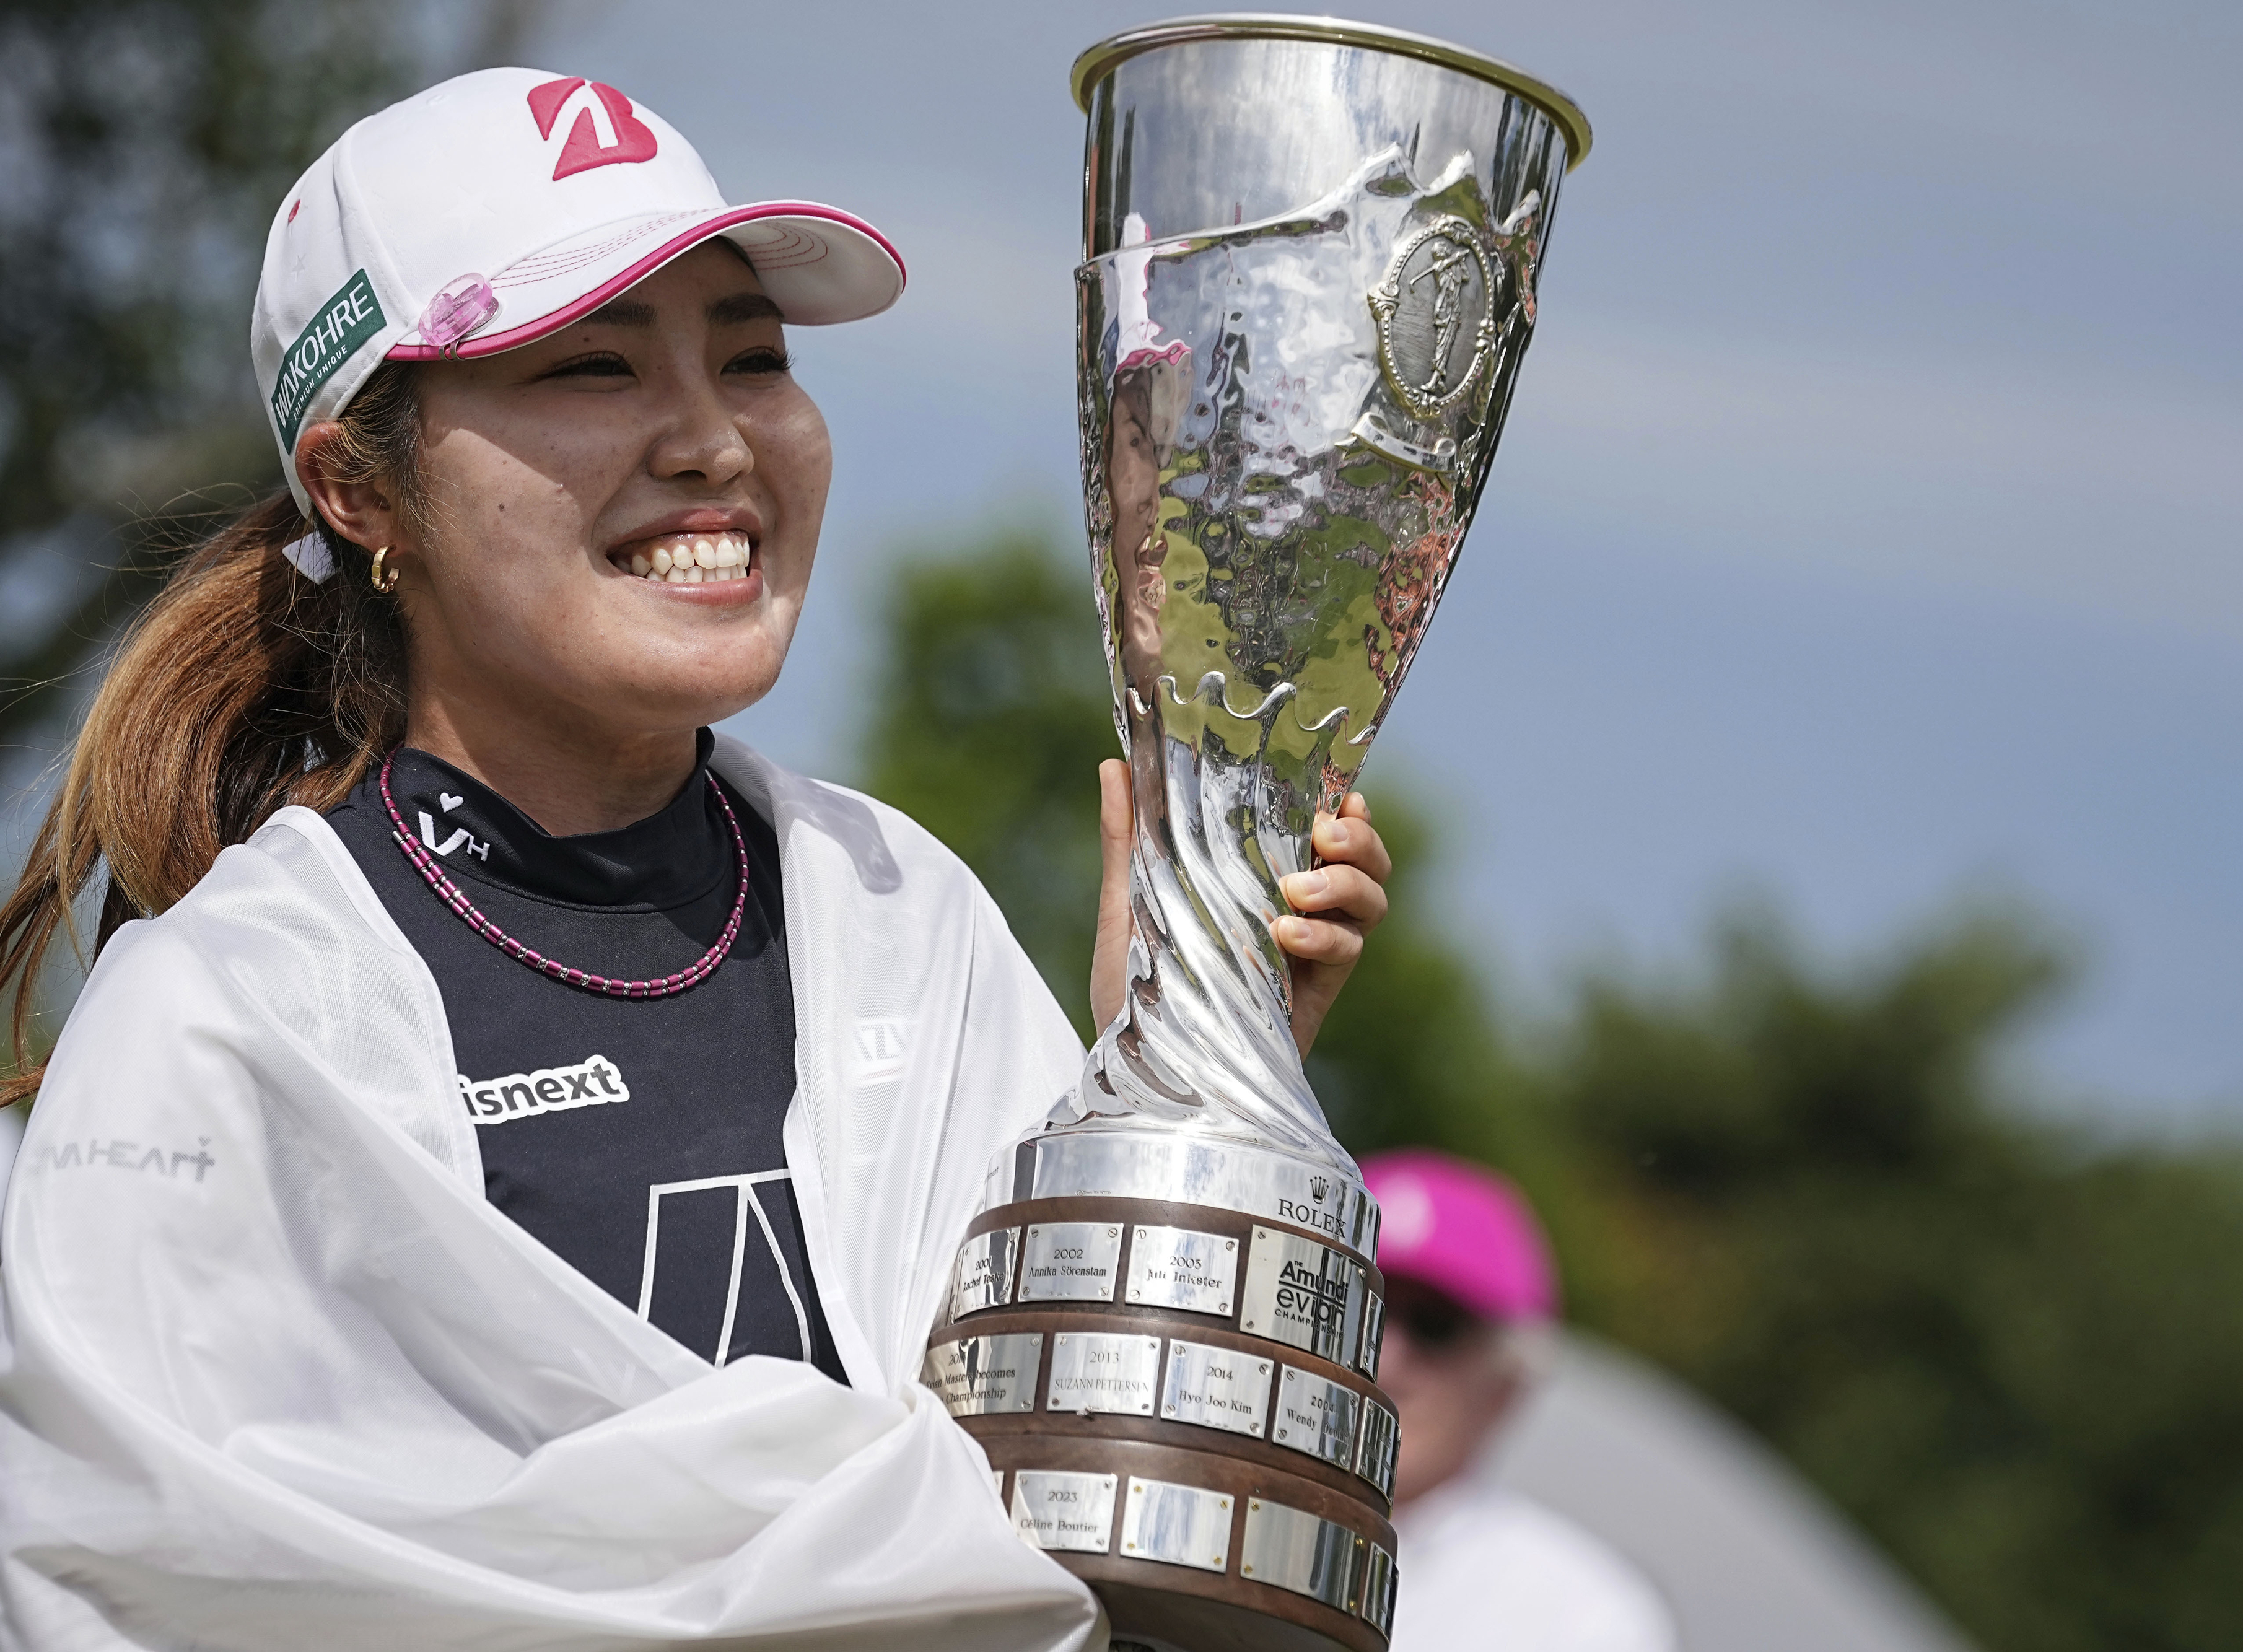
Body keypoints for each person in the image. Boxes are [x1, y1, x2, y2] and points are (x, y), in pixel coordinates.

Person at [0, 69, 1394, 1650]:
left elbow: (1106, 1532)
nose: (715, 441)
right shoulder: (223, 1021)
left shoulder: (901, 913)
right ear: (360, 487)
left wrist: (1177, 1087)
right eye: (594, 365)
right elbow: (157, 1582)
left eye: (754, 359)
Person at [1366, 1149, 1679, 1652]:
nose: (1387, 1359)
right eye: (1364, 1309)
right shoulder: (1206, 1516)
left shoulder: (1582, 1618)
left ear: (1505, 1388)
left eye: (1435, 1326)